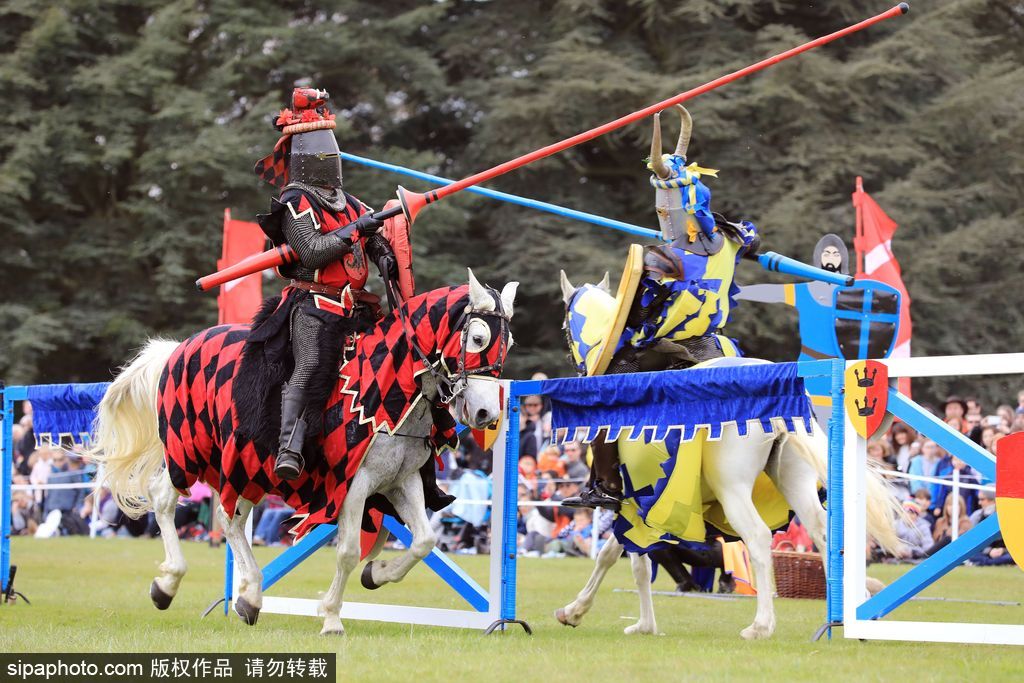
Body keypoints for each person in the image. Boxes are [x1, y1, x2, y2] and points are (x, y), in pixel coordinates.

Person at [563, 105, 758, 511]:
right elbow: (753, 240)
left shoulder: (663, 259)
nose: (663, 217)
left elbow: (636, 317)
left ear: (686, 208)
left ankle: (607, 483)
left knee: (603, 387)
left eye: (667, 210)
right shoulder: (733, 239)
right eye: (661, 211)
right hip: (716, 345)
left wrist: (627, 333)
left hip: (675, 345)